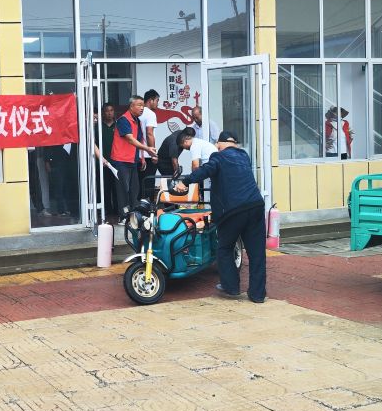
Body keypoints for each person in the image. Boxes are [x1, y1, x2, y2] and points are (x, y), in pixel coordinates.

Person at [173, 130, 266, 303]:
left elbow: (205, 170)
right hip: (255, 205)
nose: (216, 146)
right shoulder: (244, 156)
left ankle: (231, 288)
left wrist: (184, 182)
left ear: (221, 143)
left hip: (233, 210)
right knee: (257, 253)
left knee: (224, 248)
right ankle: (258, 294)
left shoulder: (218, 157)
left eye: (217, 144)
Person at [110, 96, 157, 220]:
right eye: (139, 105)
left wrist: (142, 157)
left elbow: (139, 139)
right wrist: (147, 149)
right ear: (131, 106)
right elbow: (130, 139)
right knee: (123, 190)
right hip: (120, 160)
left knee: (134, 189)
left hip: (132, 160)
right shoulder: (123, 120)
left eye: (143, 105)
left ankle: (134, 216)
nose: (142, 108)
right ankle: (123, 216)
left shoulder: (138, 121)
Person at [94, 103, 120, 223]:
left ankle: (117, 210)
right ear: (103, 113)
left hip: (116, 161)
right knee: (104, 187)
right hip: (102, 162)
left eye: (111, 110)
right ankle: (107, 210)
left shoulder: (118, 126)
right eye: (106, 111)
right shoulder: (98, 127)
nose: (109, 113)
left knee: (116, 187)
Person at [139, 90, 160, 190]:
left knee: (139, 184)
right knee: (149, 184)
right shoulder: (150, 114)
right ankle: (148, 200)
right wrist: (153, 154)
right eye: (157, 100)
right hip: (147, 155)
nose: (157, 103)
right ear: (150, 100)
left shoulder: (138, 113)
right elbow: (149, 134)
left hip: (137, 155)